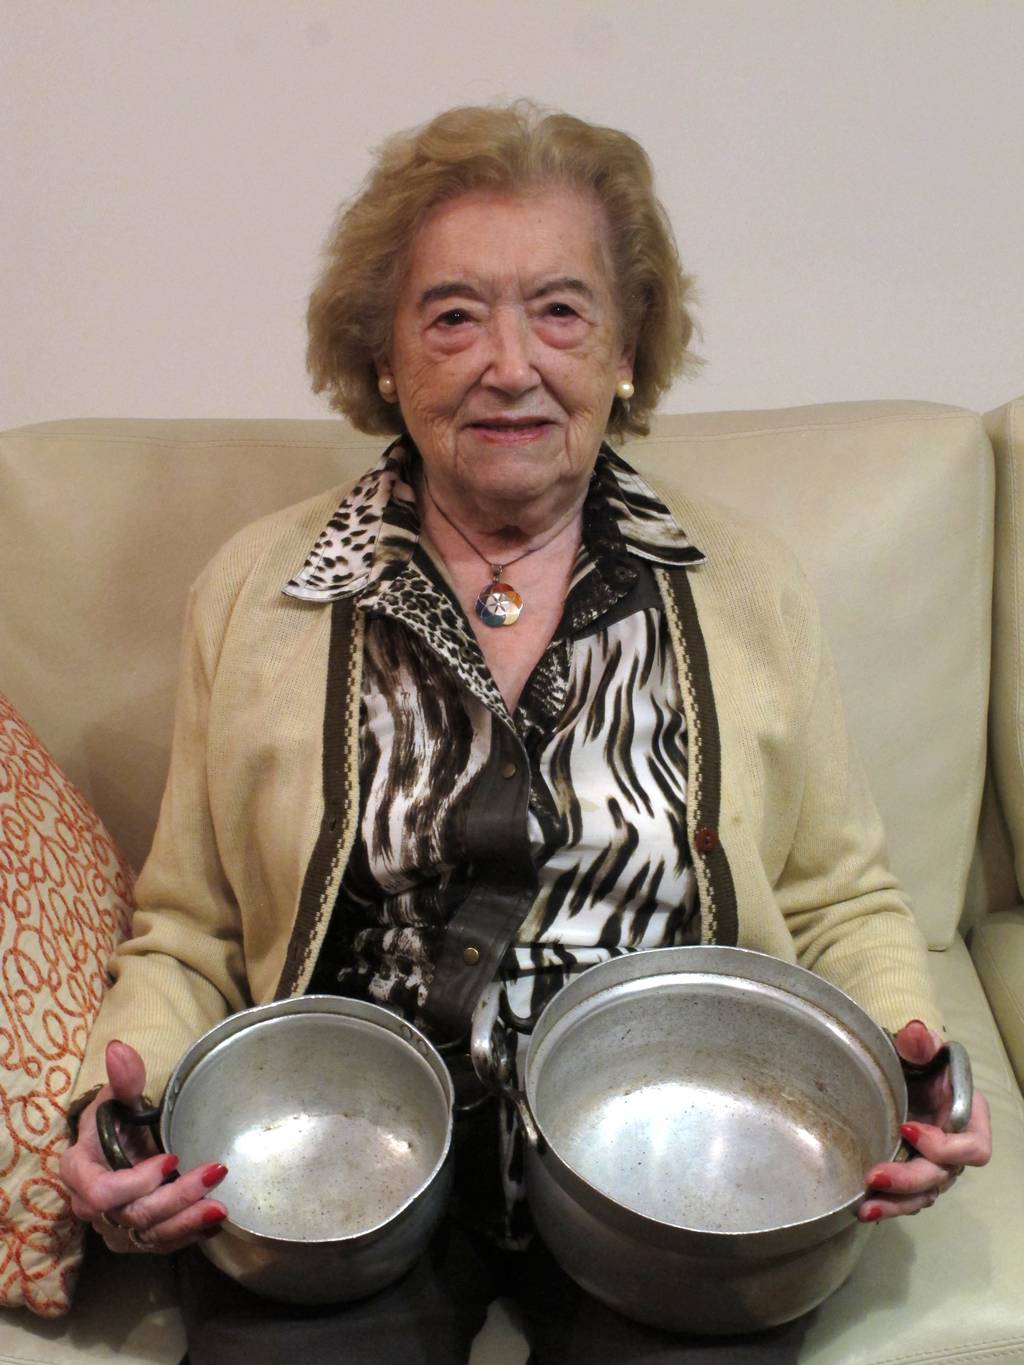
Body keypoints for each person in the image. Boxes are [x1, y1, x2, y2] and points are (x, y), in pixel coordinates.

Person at [60, 102, 991, 1362]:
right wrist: (114, 1121)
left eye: (559, 310)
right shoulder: (256, 592)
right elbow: (195, 927)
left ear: (624, 348)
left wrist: (908, 1064)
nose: (509, 364)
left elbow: (839, 897)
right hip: (349, 1161)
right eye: (452, 315)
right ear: (384, 358)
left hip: (673, 1162)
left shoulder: (746, 587)